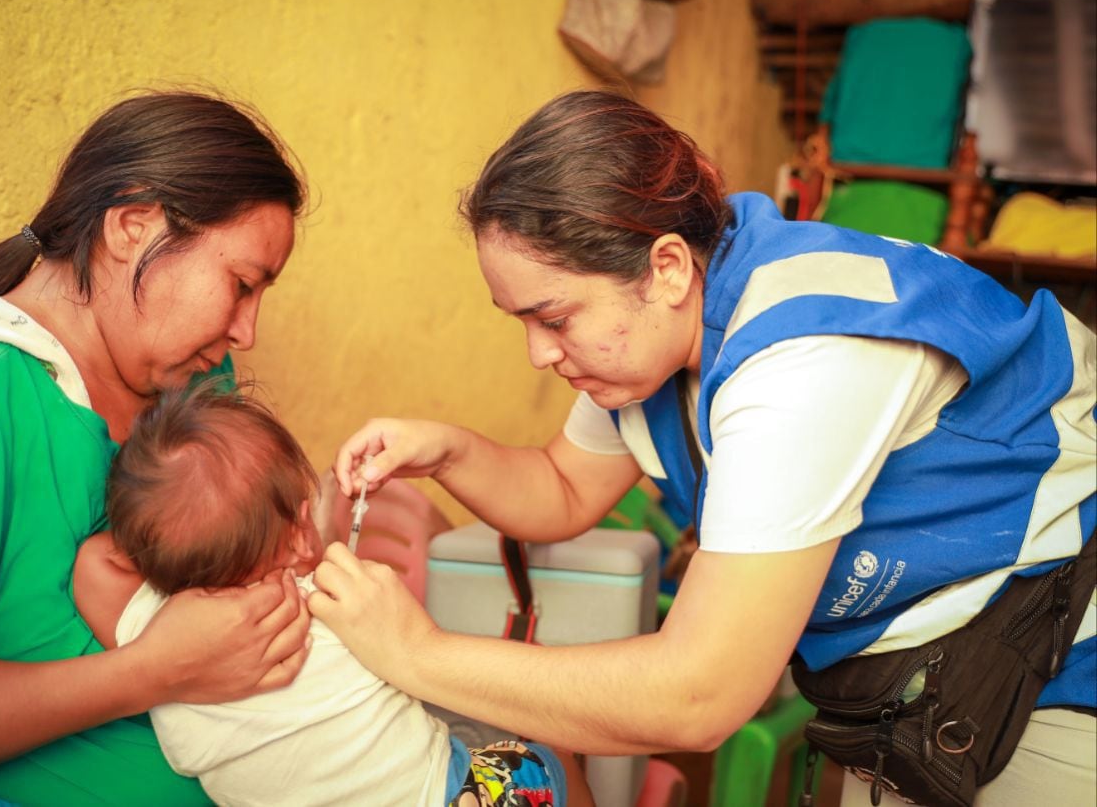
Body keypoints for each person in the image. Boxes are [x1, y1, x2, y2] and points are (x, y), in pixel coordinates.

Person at [310, 90, 1097, 805]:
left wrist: (415, 654)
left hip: (1055, 661)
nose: (539, 355)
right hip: (922, 686)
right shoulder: (659, 340)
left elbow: (700, 694)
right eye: (519, 322)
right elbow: (562, 488)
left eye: (553, 318)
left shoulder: (805, 356)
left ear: (665, 268)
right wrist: (446, 451)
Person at [0, 91, 315, 805]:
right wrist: (152, 672)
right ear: (132, 226)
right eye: (240, 285)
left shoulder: (190, 387)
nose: (247, 332)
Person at [74, 380, 590, 807]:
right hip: (454, 795)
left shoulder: (155, 637)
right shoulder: (323, 610)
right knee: (556, 747)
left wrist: (161, 553)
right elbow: (411, 662)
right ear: (301, 530)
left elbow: (96, 562)